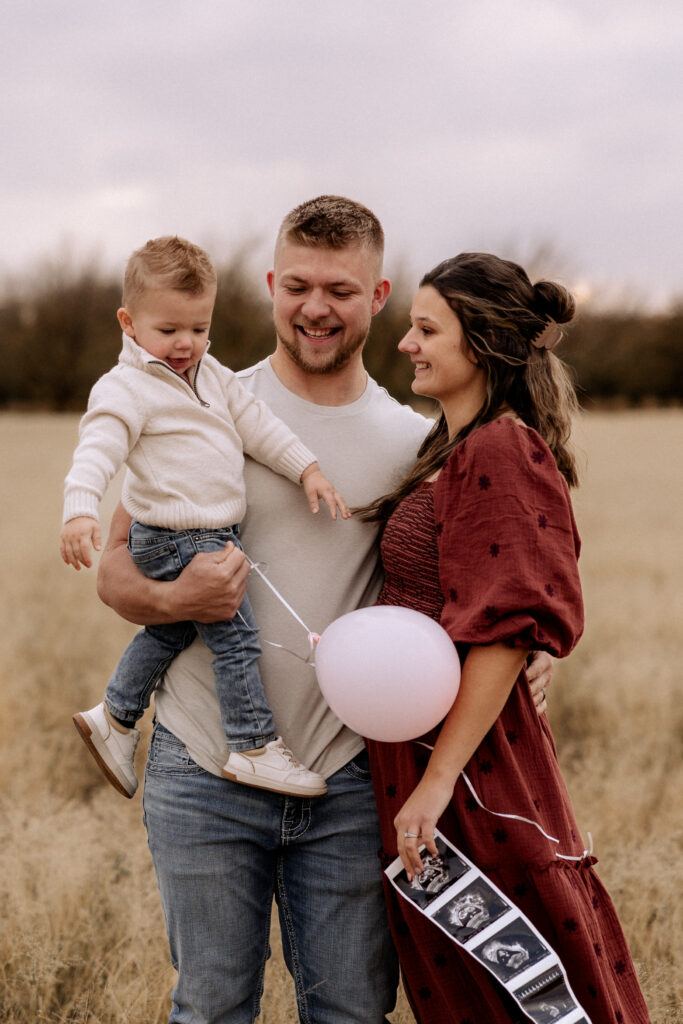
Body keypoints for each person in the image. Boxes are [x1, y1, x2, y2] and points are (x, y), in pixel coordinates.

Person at [96, 198, 554, 1024]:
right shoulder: (198, 403)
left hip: (348, 779)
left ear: (378, 297)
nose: (316, 308)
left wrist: (530, 660)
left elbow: (475, 584)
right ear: (271, 286)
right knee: (209, 1009)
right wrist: (172, 598)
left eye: (340, 290)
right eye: (298, 285)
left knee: (349, 1011)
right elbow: (114, 572)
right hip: (203, 768)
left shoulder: (415, 441)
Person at [362, 253, 651, 1023]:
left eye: (426, 329)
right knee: (464, 984)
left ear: (481, 342)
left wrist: (435, 784)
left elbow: (505, 632)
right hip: (431, 751)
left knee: (518, 981)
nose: (407, 344)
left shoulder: (498, 448)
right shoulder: (449, 447)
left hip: (472, 766)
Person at [61, 235, 349, 801]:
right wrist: (79, 511)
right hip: (175, 537)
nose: (185, 344)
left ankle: (115, 717)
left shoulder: (212, 375)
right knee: (237, 640)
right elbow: (98, 449)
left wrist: (307, 468)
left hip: (208, 533)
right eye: (168, 331)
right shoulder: (126, 388)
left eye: (198, 328)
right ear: (129, 322)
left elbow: (258, 424)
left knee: (169, 632)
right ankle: (252, 744)